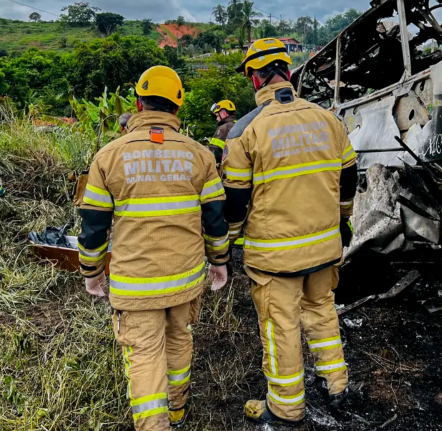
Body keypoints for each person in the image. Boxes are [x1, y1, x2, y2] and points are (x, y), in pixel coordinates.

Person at [78, 65, 230, 431]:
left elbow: (93, 225)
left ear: (137, 103)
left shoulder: (108, 156)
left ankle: (154, 425)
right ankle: (177, 411)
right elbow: (215, 219)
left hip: (135, 284)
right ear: (177, 107)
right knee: (179, 341)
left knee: (145, 355)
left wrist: (92, 272)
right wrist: (220, 262)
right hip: (185, 279)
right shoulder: (200, 155)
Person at [222, 38, 357, 426]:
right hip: (325, 246)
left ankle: (286, 407)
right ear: (289, 72)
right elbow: (349, 178)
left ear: (253, 78)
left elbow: (235, 200)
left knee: (281, 326)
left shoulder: (245, 132)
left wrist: (230, 240)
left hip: (275, 256)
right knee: (321, 311)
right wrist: (343, 220)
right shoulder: (328, 119)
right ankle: (336, 384)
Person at [208, 100, 237, 168]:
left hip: (227, 170)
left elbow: (214, 151)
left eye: (217, 116)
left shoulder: (223, 128)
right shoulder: (240, 125)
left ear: (223, 113)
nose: (217, 119)